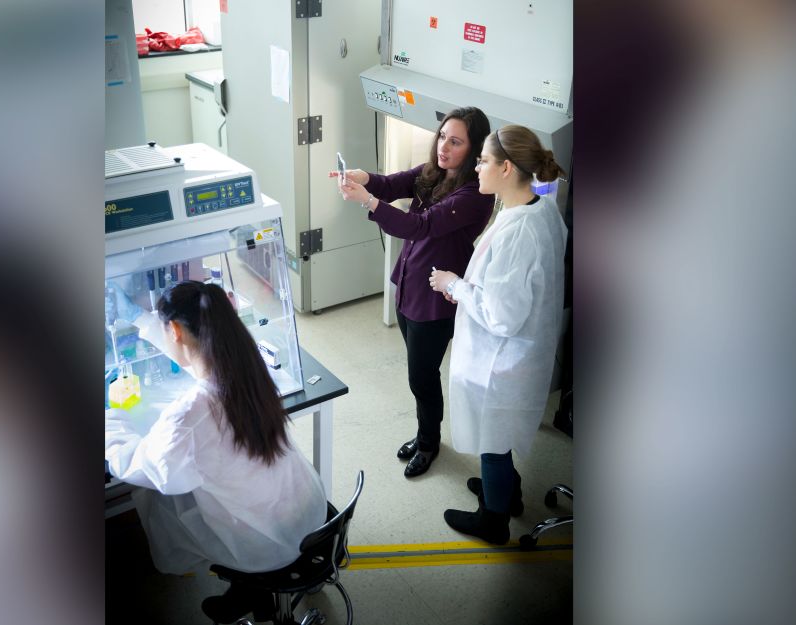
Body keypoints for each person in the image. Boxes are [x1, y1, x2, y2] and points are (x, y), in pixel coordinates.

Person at [105, 280, 327, 623]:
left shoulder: (191, 415)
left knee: (163, 501)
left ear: (175, 330)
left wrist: (113, 416)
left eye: (166, 331)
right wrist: (142, 319)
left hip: (267, 545)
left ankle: (251, 587)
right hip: (310, 514)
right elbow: (195, 357)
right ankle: (251, 593)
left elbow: (139, 465)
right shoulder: (247, 364)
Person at [332, 106, 495, 478]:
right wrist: (364, 178)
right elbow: (392, 183)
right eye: (442, 137)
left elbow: (420, 226)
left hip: (436, 298)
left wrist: (369, 202)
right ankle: (426, 435)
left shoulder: (475, 194)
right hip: (410, 283)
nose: (444, 147)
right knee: (419, 373)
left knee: (422, 376)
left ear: (473, 150)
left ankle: (428, 443)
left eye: (456, 142)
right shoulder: (433, 173)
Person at [429, 125, 567, 544]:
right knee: (500, 434)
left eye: (484, 160)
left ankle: (493, 519)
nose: (477, 166)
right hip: (519, 352)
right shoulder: (539, 202)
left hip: (504, 358)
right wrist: (469, 290)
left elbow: (503, 315)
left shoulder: (520, 230)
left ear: (507, 168)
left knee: (493, 435)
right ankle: (507, 493)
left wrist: (454, 285)